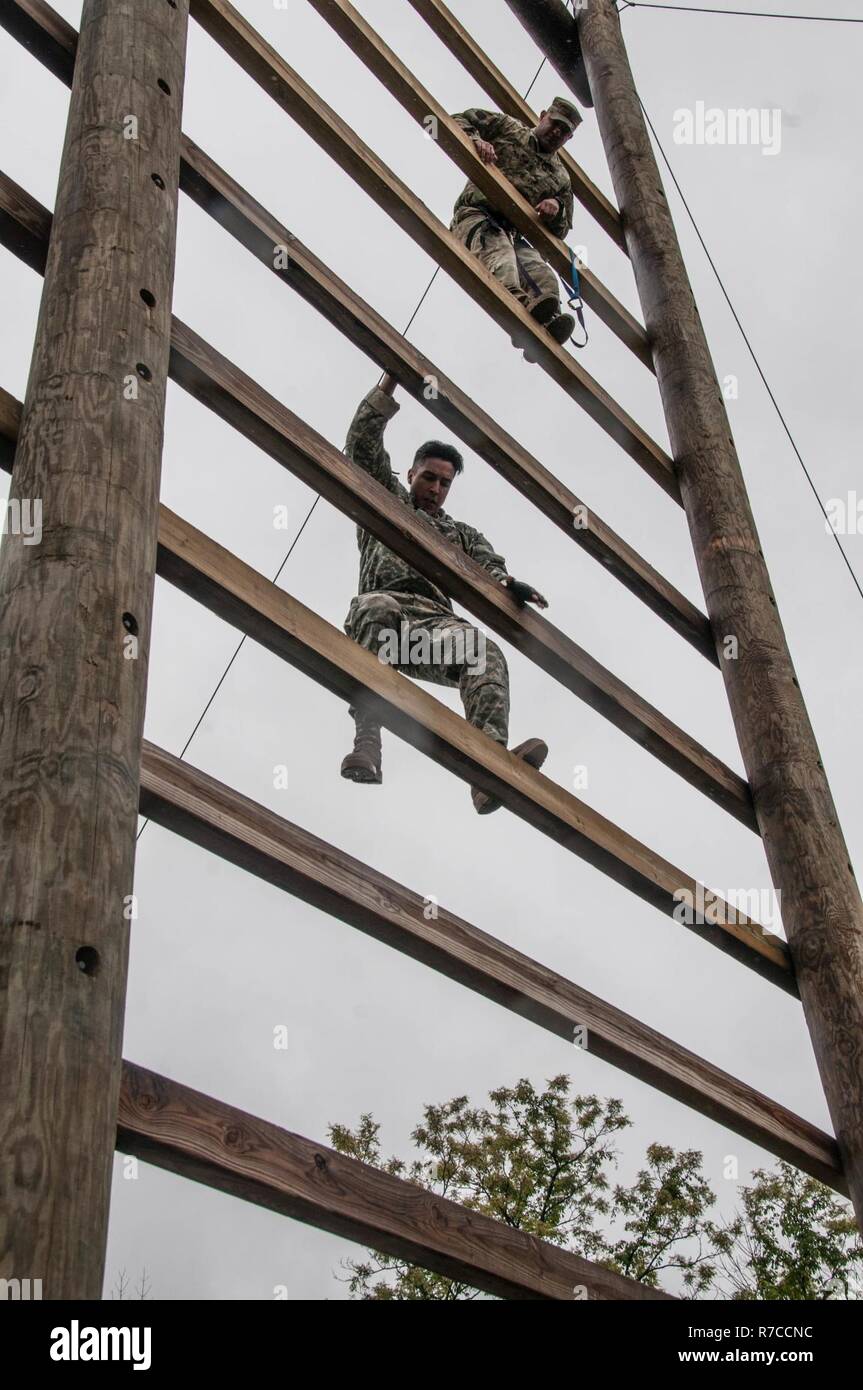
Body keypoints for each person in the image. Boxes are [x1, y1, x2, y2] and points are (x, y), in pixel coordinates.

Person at [341, 373, 549, 815]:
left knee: (483, 651)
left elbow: (491, 568)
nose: (435, 489)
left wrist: (511, 585)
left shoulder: (459, 533)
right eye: (429, 478)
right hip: (386, 621)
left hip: (430, 630)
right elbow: (361, 445)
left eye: (445, 483)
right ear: (411, 472)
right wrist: (389, 384)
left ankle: (486, 770)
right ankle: (368, 740)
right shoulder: (388, 495)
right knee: (373, 606)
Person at [450, 96, 581, 350]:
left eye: (564, 132)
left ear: (568, 139)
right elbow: (458, 118)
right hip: (477, 217)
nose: (557, 132)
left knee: (544, 277)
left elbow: (562, 230)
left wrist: (556, 209)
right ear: (543, 116)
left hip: (512, 234)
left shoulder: (560, 177)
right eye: (555, 123)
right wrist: (476, 140)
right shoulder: (509, 128)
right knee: (503, 261)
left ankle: (546, 323)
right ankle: (521, 315)